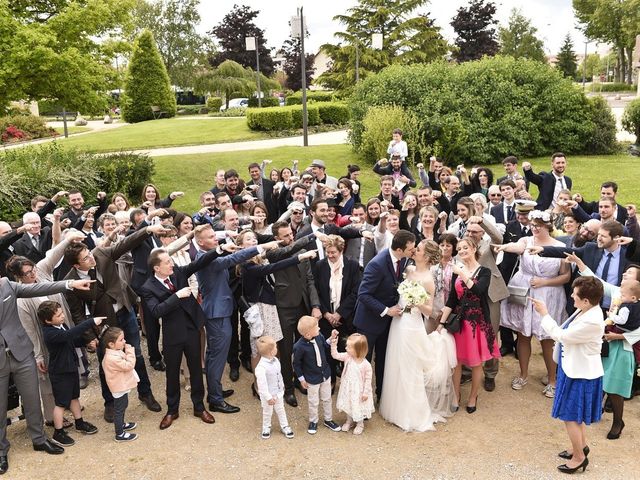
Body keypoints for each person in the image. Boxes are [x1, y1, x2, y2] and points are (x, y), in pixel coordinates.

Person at [0, 275, 93, 474]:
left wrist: (70, 284)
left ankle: (39, 439)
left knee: (33, 400)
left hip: (22, 354)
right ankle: (1, 450)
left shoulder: (6, 285)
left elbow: (39, 288)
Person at [140, 246, 227, 429]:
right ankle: (172, 410)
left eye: (170, 261)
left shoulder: (177, 272)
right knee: (172, 373)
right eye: (167, 262)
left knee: (196, 369)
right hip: (172, 334)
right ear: (157, 268)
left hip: (191, 328)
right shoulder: (148, 287)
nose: (171, 264)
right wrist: (177, 296)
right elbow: (156, 311)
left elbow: (197, 264)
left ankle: (199, 406)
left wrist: (219, 250)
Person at [380, 240, 457, 431]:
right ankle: (394, 409)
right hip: (398, 322)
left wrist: (416, 301)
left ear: (428, 256)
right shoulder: (409, 268)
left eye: (419, 249)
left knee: (410, 368)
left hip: (412, 325)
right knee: (396, 363)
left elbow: (429, 310)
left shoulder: (429, 279)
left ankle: (412, 414)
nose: (415, 251)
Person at [532, 277, 605, 474]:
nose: (571, 295)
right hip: (572, 367)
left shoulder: (592, 320)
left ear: (586, 301)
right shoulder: (587, 309)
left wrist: (544, 314)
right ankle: (580, 446)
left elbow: (561, 335)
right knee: (574, 415)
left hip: (581, 373)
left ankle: (579, 457)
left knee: (570, 416)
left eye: (575, 294)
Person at [497, 210, 570, 398]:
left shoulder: (560, 246)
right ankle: (523, 375)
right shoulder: (526, 241)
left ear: (548, 226)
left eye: (538, 225)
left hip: (549, 294)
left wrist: (544, 282)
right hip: (523, 291)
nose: (534, 228)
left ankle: (552, 380)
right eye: (532, 225)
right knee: (523, 335)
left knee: (547, 338)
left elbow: (566, 276)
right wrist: (504, 247)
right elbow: (516, 247)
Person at [438, 237, 499, 414]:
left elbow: (479, 291)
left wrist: (463, 274)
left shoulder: (484, 271)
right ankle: (456, 395)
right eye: (460, 249)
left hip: (477, 322)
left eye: (465, 247)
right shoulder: (457, 272)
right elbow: (452, 300)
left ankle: (473, 396)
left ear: (473, 248)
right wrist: (442, 322)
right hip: (460, 322)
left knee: (476, 362)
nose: (462, 251)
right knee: (456, 361)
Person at [353, 230, 416, 400]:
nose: (414, 252)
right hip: (369, 323)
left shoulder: (403, 261)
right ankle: (360, 402)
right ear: (400, 249)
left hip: (388, 323)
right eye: (411, 249)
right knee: (363, 363)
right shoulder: (377, 264)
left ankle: (381, 396)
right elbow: (363, 294)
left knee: (383, 360)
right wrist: (386, 310)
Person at [38, 301, 102, 448]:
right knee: (61, 403)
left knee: (74, 397)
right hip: (60, 372)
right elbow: (68, 335)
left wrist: (86, 342)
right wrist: (90, 322)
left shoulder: (61, 326)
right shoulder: (50, 333)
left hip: (71, 368)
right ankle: (58, 432)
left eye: (61, 313)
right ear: (48, 320)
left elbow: (71, 340)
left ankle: (79, 422)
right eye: (58, 315)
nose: (62, 317)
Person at [601, 280, 640, 440]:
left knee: (615, 387)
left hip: (625, 348)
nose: (624, 276)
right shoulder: (623, 299)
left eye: (629, 274)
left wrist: (619, 335)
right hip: (610, 345)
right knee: (602, 379)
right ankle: (597, 410)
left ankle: (618, 422)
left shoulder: (632, 304)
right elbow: (599, 282)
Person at [292, 316, 342, 435]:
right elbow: (296, 364)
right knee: (313, 401)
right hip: (311, 378)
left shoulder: (319, 336)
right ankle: (313, 421)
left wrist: (332, 338)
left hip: (325, 374)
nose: (319, 328)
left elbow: (325, 345)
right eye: (316, 327)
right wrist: (301, 379)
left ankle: (328, 419)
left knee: (327, 398)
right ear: (308, 333)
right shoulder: (298, 347)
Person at [329, 331, 374, 435]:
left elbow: (368, 380)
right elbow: (335, 355)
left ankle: (360, 423)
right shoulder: (347, 357)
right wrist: (333, 344)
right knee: (349, 403)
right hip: (348, 388)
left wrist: (365, 393)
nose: (346, 348)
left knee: (358, 405)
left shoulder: (366, 365)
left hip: (359, 390)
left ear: (358, 350)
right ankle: (349, 421)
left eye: (349, 347)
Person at [101, 327, 139, 443]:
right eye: (121, 340)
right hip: (119, 387)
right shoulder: (112, 358)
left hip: (121, 386)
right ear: (111, 344)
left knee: (122, 406)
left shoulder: (114, 353)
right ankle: (120, 433)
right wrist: (130, 351)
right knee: (119, 410)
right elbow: (129, 365)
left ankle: (122, 424)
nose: (124, 342)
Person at [254, 336, 294, 440]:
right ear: (271, 352)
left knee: (281, 409)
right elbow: (262, 385)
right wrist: (268, 397)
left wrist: (282, 387)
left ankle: (284, 425)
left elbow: (279, 375)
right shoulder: (261, 368)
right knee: (267, 411)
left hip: (278, 392)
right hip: (268, 395)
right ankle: (266, 427)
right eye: (275, 347)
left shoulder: (276, 360)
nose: (277, 348)